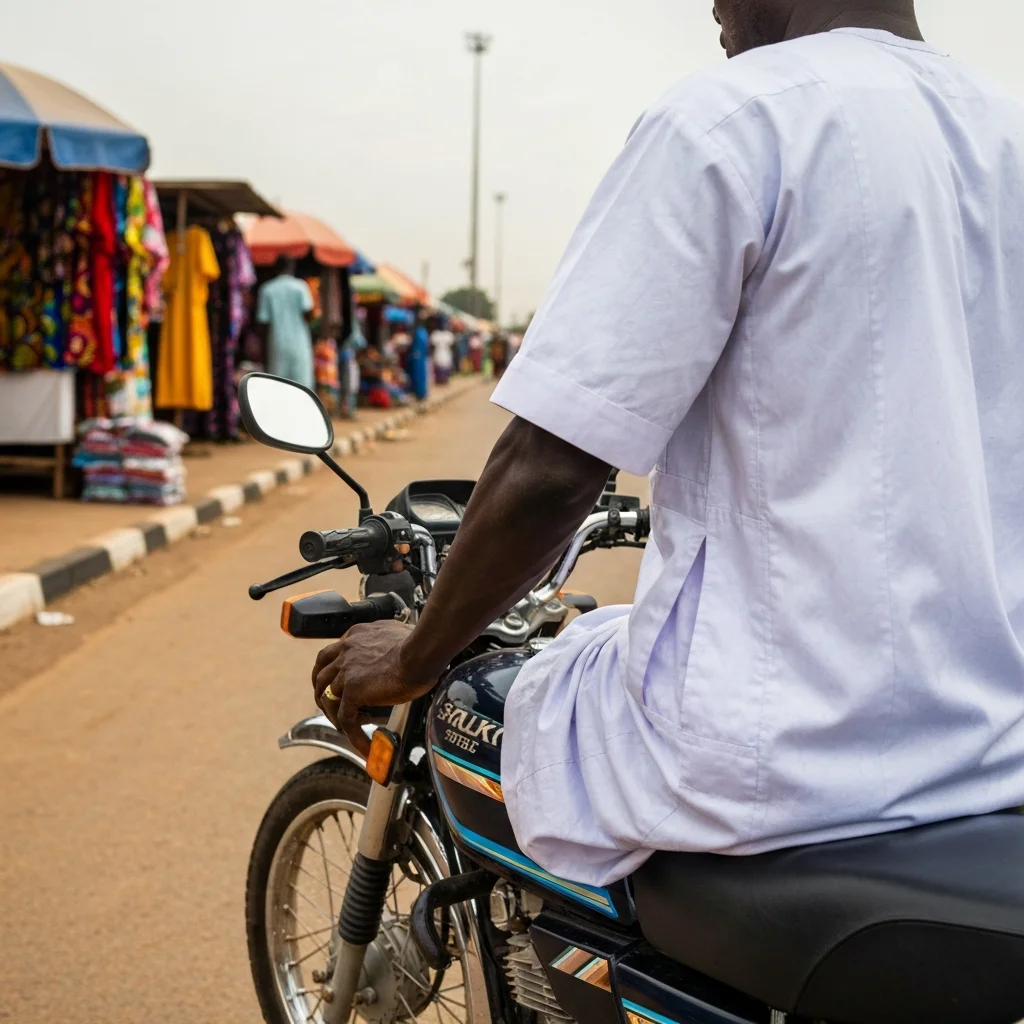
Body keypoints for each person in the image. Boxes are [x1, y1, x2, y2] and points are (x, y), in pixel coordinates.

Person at [311, 0, 1024, 887]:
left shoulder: (732, 121)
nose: (712, 5)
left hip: (765, 760)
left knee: (480, 702)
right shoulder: (1008, 133)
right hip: (994, 749)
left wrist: (417, 654)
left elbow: (551, 468)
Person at [256, 256, 315, 390]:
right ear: (292, 267)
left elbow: (263, 322)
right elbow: (309, 313)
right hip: (300, 342)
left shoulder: (267, 289)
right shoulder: (300, 287)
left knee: (278, 386)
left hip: (276, 342)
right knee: (302, 387)